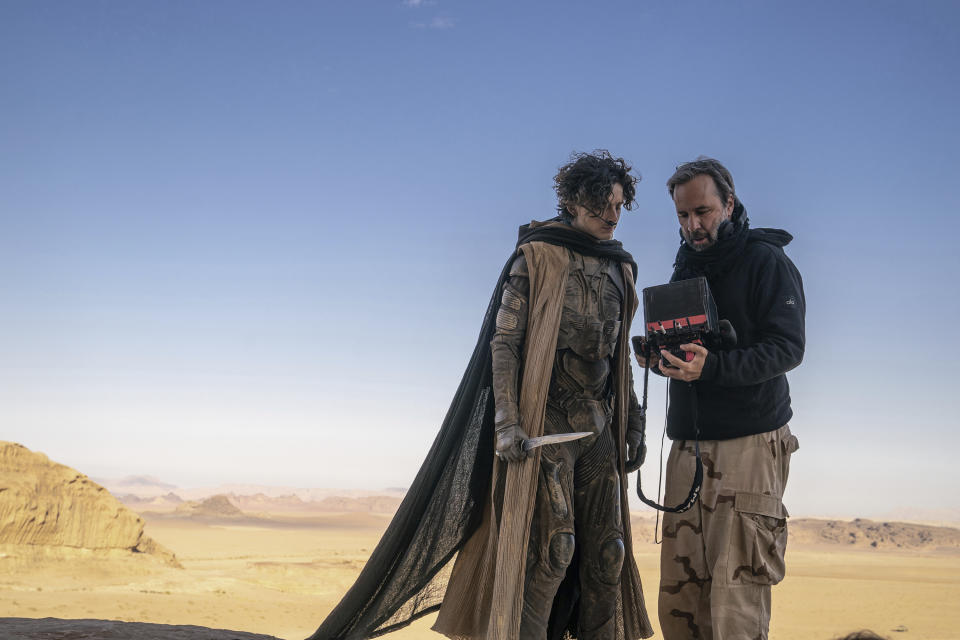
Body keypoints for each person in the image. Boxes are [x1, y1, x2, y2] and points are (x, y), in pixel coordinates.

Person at [310, 151, 653, 640]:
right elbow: (506, 344)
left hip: (598, 425)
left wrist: (634, 421)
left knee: (608, 556)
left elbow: (618, 358)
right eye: (604, 204)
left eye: (620, 205)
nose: (614, 216)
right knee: (552, 554)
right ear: (575, 201)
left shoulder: (622, 269)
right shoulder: (537, 257)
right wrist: (508, 423)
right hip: (547, 423)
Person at [637, 158, 805, 640]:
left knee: (736, 608)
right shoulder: (685, 264)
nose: (693, 226)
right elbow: (692, 341)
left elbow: (788, 348)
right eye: (683, 216)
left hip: (748, 447)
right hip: (687, 449)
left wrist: (712, 367)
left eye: (704, 212)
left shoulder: (766, 260)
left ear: (729, 203)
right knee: (681, 603)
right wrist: (660, 356)